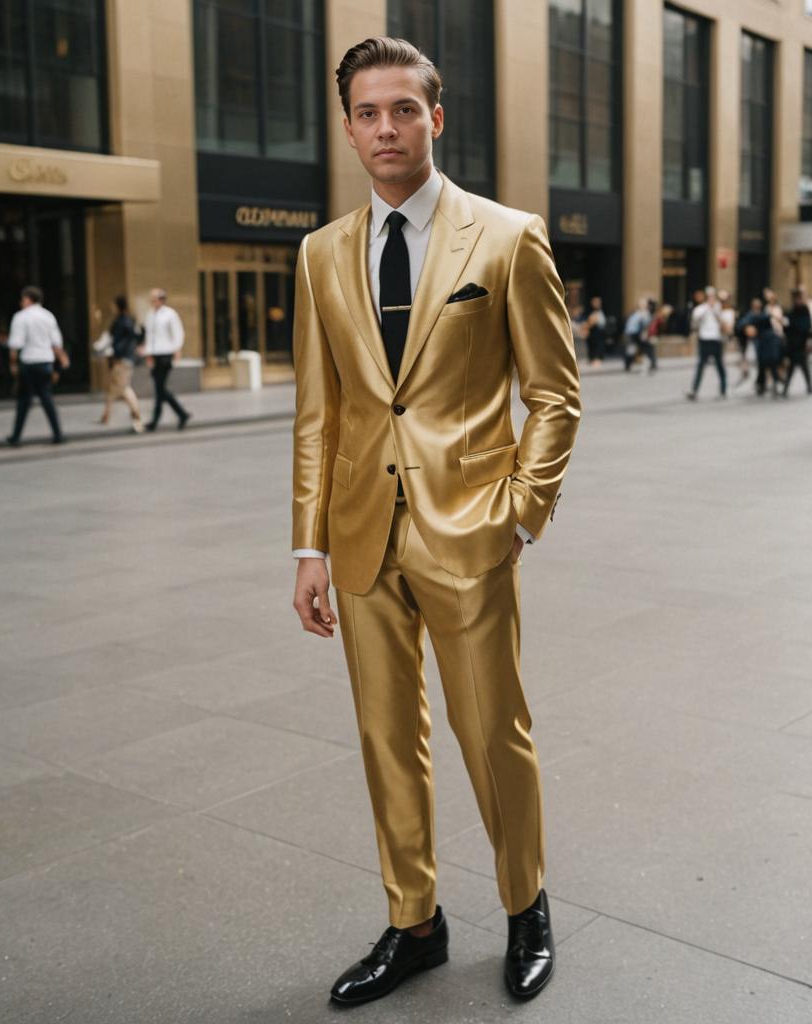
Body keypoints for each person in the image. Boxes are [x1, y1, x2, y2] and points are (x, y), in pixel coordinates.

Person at [291, 37, 582, 1006]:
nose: (386, 128)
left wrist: (521, 514)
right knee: (385, 737)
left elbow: (554, 393)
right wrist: (308, 544)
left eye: (403, 110)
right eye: (368, 113)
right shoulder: (320, 252)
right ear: (347, 128)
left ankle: (525, 904)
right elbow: (318, 412)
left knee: (492, 731)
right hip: (362, 536)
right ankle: (412, 921)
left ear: (435, 118)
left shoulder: (505, 237)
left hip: (472, 531)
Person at [5, 286, 68, 446]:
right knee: (46, 397)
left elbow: (15, 344)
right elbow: (56, 342)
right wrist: (60, 360)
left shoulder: (21, 317)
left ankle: (16, 436)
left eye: (23, 299)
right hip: (45, 361)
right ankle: (57, 433)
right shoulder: (48, 316)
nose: (21, 302)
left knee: (24, 401)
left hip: (28, 362)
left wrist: (12, 364)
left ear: (28, 299)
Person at [142, 288, 191, 431]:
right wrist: (148, 354)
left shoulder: (170, 314)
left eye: (155, 299)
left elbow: (178, 332)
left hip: (166, 354)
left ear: (162, 299)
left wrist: (177, 349)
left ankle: (156, 420)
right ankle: (181, 414)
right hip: (155, 354)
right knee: (160, 389)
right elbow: (149, 336)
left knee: (159, 388)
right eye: (151, 299)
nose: (152, 302)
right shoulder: (150, 314)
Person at [98, 296, 144, 433]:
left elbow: (116, 340)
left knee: (124, 389)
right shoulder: (128, 320)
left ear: (117, 306)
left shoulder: (121, 321)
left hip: (122, 359)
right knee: (113, 387)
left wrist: (114, 352)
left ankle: (137, 418)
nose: (112, 307)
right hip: (125, 358)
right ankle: (106, 415)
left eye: (113, 304)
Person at [686, 286, 726, 399]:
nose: (711, 298)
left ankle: (723, 390)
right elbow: (695, 323)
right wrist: (707, 309)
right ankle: (694, 390)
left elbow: (722, 322)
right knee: (701, 365)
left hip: (716, 339)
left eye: (713, 296)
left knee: (719, 365)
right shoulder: (700, 309)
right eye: (709, 296)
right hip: (704, 339)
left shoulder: (718, 308)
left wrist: (714, 310)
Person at [783, 286, 812, 397]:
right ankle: (788, 388)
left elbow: (806, 327)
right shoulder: (793, 310)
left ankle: (807, 386)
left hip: (801, 343)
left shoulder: (803, 309)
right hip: (793, 343)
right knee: (795, 367)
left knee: (802, 366)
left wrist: (808, 339)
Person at [622, 297, 652, 372]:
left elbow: (646, 325)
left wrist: (645, 333)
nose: (643, 305)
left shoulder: (645, 313)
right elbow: (630, 324)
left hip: (639, 334)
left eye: (644, 304)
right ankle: (627, 365)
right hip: (631, 334)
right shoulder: (635, 313)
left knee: (646, 348)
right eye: (641, 304)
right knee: (631, 350)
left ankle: (650, 363)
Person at [585, 296, 606, 366]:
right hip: (595, 333)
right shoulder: (593, 312)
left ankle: (597, 359)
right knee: (595, 346)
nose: (597, 304)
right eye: (595, 302)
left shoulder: (599, 311)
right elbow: (590, 322)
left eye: (598, 302)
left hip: (600, 333)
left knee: (599, 345)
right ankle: (594, 359)